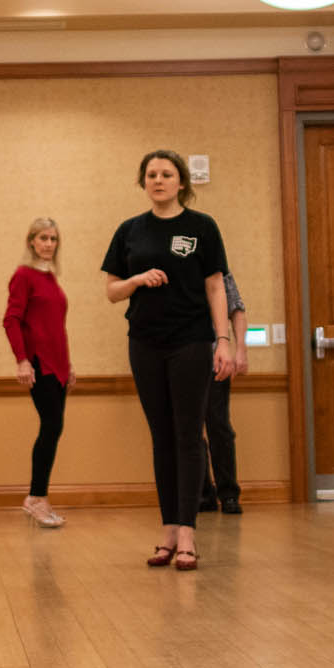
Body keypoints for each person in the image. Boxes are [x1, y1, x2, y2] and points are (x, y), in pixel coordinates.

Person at [101, 150, 232, 572]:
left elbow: (216, 286)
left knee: (189, 435)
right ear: (144, 182)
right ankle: (169, 529)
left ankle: (190, 531)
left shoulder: (202, 227)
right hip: (144, 342)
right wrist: (137, 279)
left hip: (192, 342)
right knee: (162, 436)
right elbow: (112, 291)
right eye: (151, 174)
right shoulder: (129, 231)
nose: (158, 180)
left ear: (181, 183)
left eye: (167, 174)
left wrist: (224, 339)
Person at [4, 217, 73, 528]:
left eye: (53, 239)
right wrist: (22, 360)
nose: (48, 244)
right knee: (51, 426)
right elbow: (11, 319)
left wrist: (68, 365)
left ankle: (39, 498)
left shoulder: (51, 278)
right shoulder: (24, 275)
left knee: (54, 429)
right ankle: (35, 498)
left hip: (58, 366)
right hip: (39, 363)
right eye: (43, 238)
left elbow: (56, 327)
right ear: (31, 241)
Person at [198, 271, 249, 515]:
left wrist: (240, 350)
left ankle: (228, 494)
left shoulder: (220, 270)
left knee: (219, 427)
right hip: (183, 360)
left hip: (215, 361)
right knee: (189, 432)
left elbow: (237, 309)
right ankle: (202, 494)